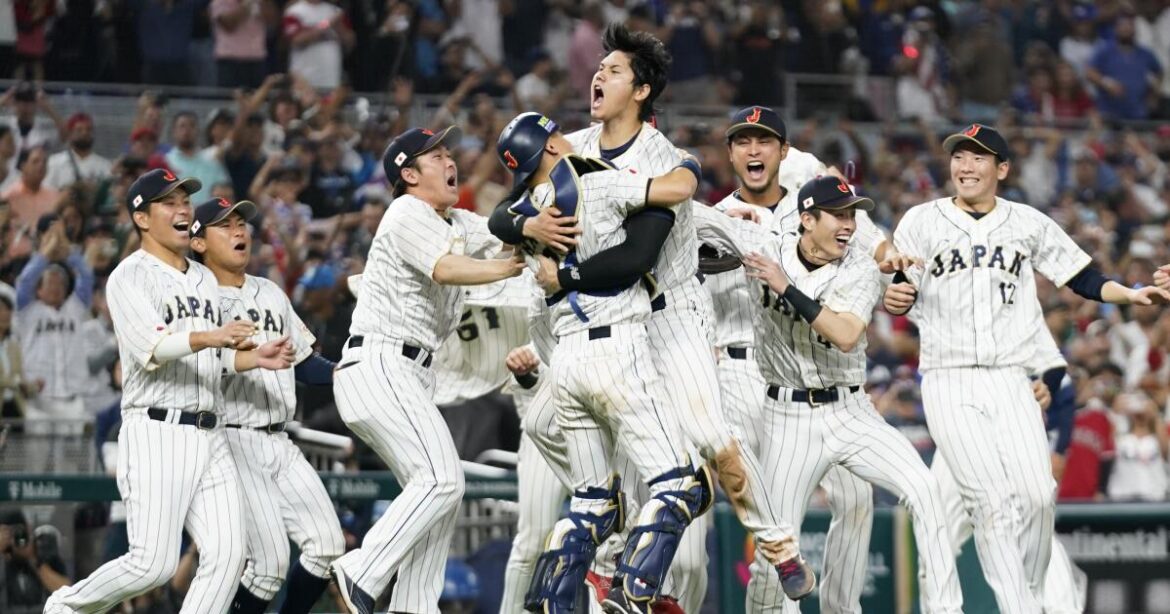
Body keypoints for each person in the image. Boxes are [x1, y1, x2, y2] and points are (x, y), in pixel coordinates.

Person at [489, 25, 812, 611]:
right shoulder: (574, 145)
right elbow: (504, 210)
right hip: (609, 318)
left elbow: (678, 198)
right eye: (600, 68)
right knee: (543, 424)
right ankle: (616, 556)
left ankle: (778, 542)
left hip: (671, 309)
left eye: (613, 71)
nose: (597, 75)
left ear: (640, 91)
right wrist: (526, 225)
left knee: (712, 439)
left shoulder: (662, 156)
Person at [883, 123, 1170, 613]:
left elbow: (1081, 276)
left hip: (1010, 379)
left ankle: (1032, 596)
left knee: (1038, 498)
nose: (965, 166)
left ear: (1002, 169)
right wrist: (895, 297)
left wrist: (1130, 292)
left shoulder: (1026, 222)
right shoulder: (920, 221)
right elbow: (899, 286)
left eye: (978, 158)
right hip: (950, 378)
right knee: (991, 503)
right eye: (959, 157)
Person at [700, 175, 963, 613]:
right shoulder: (767, 243)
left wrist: (785, 285)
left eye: (852, 214)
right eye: (838, 214)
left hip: (851, 412)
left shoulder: (859, 266)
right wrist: (723, 218)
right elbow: (688, 219)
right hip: (787, 418)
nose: (849, 223)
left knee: (925, 490)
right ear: (806, 219)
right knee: (774, 550)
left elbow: (843, 333)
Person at [44, 168, 296, 614]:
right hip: (158, 428)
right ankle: (65, 606)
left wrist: (252, 357)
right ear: (142, 219)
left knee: (229, 555)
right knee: (152, 565)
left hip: (209, 430)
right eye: (170, 202)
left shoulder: (201, 278)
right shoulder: (129, 277)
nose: (183, 209)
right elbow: (153, 348)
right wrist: (212, 336)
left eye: (185, 200)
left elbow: (211, 357)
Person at [495, 110, 715, 614]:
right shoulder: (597, 181)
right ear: (551, 145)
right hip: (616, 348)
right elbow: (676, 193)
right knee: (681, 484)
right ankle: (633, 593)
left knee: (593, 500)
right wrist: (689, 163)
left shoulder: (528, 208)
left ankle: (551, 599)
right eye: (556, 135)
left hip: (566, 361)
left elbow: (498, 218)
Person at [328, 126, 524, 613]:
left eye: (447, 151)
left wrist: (534, 228)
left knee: (439, 497)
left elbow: (503, 233)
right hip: (380, 363)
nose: (448, 158)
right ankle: (362, 568)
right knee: (443, 479)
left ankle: (414, 607)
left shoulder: (454, 219)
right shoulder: (405, 211)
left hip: (408, 373)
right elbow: (447, 268)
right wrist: (511, 267)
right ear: (409, 174)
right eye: (434, 155)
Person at [701, 106, 876, 614]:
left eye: (764, 141)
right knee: (780, 521)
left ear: (784, 152)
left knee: (857, 497)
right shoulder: (712, 218)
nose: (754, 150)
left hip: (812, 373)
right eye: (743, 141)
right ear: (730, 152)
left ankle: (843, 608)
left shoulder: (819, 215)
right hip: (737, 374)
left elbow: (868, 264)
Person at [187, 197, 345, 614]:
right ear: (198, 242)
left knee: (327, 545)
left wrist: (349, 371)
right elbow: (195, 365)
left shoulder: (271, 292)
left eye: (242, 223)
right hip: (231, 437)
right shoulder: (195, 298)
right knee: (268, 565)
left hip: (280, 438)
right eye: (226, 226)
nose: (240, 231)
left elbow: (306, 362)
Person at [0, 510, 70, 609]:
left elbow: (65, 591)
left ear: (28, 530)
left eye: (19, 531)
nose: (15, 537)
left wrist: (34, 559)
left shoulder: (43, 552)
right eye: (8, 533)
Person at [44, 113, 112, 191]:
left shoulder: (104, 165)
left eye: (88, 129)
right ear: (70, 133)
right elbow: (47, 190)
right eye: (79, 130)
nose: (84, 133)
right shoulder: (54, 162)